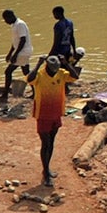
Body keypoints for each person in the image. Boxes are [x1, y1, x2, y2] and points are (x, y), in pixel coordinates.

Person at [30, 53, 70, 185]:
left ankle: (47, 168)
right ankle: (46, 173)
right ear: (47, 66)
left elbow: (75, 76)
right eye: (53, 69)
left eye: (56, 69)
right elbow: (29, 79)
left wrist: (65, 62)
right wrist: (38, 64)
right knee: (45, 143)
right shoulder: (40, 75)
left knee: (51, 142)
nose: (54, 72)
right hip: (43, 115)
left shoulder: (61, 73)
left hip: (56, 113)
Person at [1, 9, 33, 98]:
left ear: (10, 16)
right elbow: (15, 42)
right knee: (26, 72)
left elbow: (23, 40)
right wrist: (10, 53)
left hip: (23, 52)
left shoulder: (20, 24)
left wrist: (15, 55)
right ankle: (36, 90)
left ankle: (5, 94)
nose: (5, 21)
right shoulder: (15, 25)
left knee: (8, 72)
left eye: (5, 19)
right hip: (23, 51)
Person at [49, 5, 80, 71]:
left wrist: (51, 54)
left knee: (58, 69)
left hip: (60, 51)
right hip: (67, 49)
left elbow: (56, 41)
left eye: (54, 14)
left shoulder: (58, 25)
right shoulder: (70, 23)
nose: (54, 16)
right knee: (66, 67)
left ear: (58, 13)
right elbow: (72, 37)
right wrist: (74, 50)